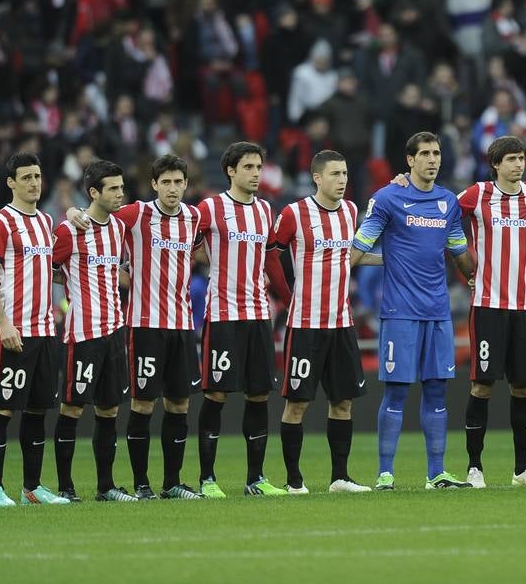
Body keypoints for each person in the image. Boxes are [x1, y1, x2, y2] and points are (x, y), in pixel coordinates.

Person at [68, 155, 206, 499]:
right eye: (166, 182)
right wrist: (73, 213)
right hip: (144, 325)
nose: (173, 188)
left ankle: (172, 483)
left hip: (182, 326)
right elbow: (94, 215)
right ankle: (142, 483)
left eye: (179, 182)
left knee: (180, 405)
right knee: (143, 405)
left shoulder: (193, 217)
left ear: (186, 185)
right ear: (154, 185)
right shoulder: (136, 213)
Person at [351, 131, 477, 490]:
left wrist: (474, 274)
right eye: (425, 154)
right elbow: (360, 246)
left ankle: (436, 473)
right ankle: (385, 474)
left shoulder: (448, 201)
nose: (433, 159)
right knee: (397, 391)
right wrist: (330, 276)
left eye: (436, 153)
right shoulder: (388, 198)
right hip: (400, 312)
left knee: (437, 390)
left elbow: (459, 253)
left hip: (438, 312)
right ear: (410, 160)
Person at [266, 149, 376, 493]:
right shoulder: (294, 214)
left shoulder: (350, 211)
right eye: (334, 174)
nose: (342, 180)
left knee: (342, 402)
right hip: (305, 326)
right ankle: (294, 481)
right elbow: (271, 256)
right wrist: (287, 300)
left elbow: (350, 258)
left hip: (341, 324)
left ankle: (340, 477)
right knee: (297, 403)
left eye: (344, 174)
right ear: (317, 178)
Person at [455, 135, 526, 489]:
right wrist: (466, 268)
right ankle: (474, 467)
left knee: (523, 388)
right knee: (482, 386)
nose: (518, 165)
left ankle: (523, 469)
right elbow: (444, 217)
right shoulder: (477, 194)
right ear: (496, 164)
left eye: (522, 158)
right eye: (511, 159)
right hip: (489, 306)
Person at [193, 142, 288, 498]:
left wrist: (287, 299)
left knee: (259, 394)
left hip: (258, 314)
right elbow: (185, 243)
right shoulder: (211, 208)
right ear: (231, 171)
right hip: (223, 315)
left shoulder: (265, 210)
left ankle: (256, 479)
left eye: (258, 167)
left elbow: (270, 262)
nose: (255, 174)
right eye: (248, 167)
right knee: (217, 394)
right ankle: (207, 479)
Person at [0, 152, 70, 507]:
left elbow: (49, 273)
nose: (34, 182)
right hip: (15, 332)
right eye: (27, 177)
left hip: (46, 332)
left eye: (38, 176)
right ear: (11, 183)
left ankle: (32, 487)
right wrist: (3, 323)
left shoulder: (47, 221)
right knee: (3, 409)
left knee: (37, 411)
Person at [52, 159, 138, 503]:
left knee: (109, 410)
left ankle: (106, 486)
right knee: (72, 409)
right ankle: (65, 487)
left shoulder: (118, 228)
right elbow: (45, 266)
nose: (120, 194)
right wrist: (70, 212)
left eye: (121, 187)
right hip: (83, 334)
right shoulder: (69, 230)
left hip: (114, 332)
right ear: (93, 192)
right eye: (113, 189)